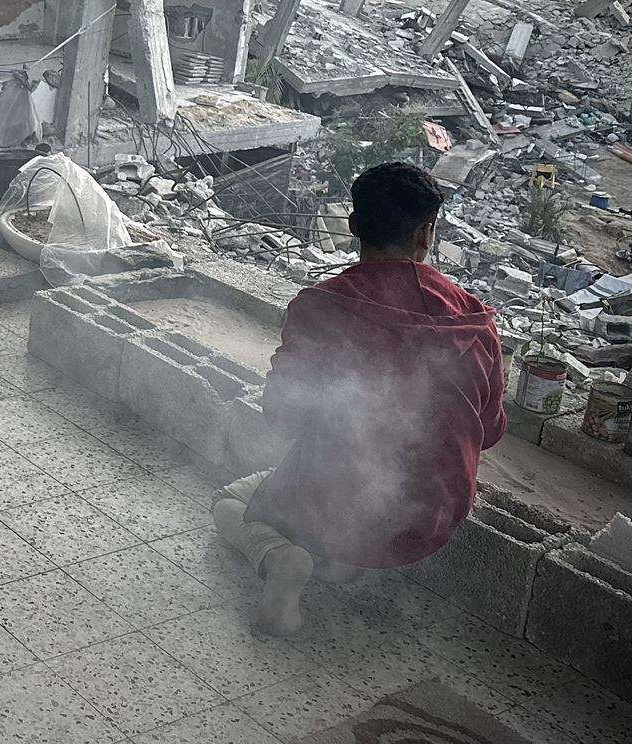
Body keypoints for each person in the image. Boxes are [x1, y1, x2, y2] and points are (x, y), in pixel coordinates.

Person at [211, 161, 506, 635]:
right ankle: (340, 564)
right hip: (434, 516)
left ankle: (281, 557)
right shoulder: (475, 319)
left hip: (338, 509)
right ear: (426, 233)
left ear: (352, 225)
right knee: (341, 498)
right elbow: (489, 432)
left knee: (229, 500)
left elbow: (282, 417)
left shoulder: (321, 306)